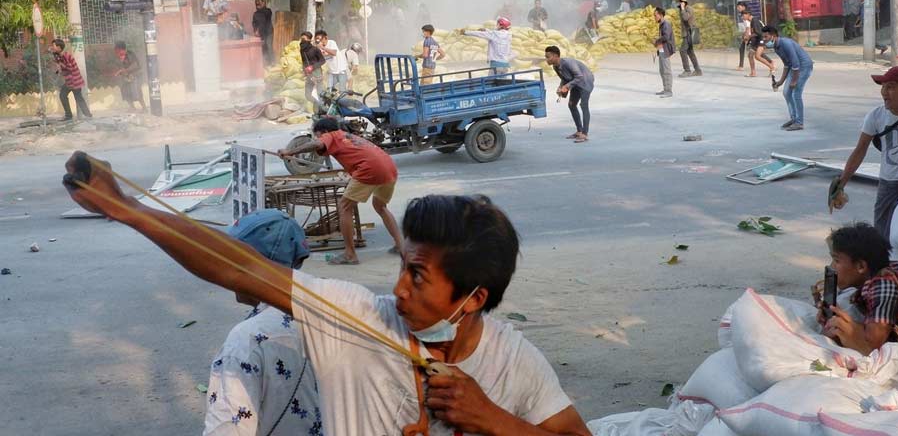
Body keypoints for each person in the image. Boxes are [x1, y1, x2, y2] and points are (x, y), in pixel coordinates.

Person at [62, 153, 591, 436]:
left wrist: (495, 421)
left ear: (473, 299)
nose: (398, 290)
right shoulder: (357, 319)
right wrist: (126, 208)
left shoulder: (514, 361)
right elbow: (242, 268)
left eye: (419, 276)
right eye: (402, 268)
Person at [203, 209, 320, 436]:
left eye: (232, 262)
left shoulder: (247, 340)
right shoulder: (330, 308)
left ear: (252, 267)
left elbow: (228, 428)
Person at [279, 118, 403, 265]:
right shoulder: (346, 136)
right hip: (388, 167)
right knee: (380, 206)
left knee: (344, 207)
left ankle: (350, 254)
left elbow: (317, 144)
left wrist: (290, 152)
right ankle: (401, 245)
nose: (318, 138)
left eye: (318, 134)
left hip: (370, 169)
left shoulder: (331, 135)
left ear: (324, 132)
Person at [835, 67, 898, 242]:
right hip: (889, 184)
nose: (884, 92)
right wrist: (840, 185)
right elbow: (860, 149)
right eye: (883, 87)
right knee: (882, 237)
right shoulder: (876, 116)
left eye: (891, 87)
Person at [819, 223, 898, 355]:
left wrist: (846, 328)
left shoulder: (884, 284)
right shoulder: (873, 278)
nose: (831, 267)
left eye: (836, 261)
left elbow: (872, 345)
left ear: (861, 266)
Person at [763, 24, 813, 131]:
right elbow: (787, 65)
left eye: (766, 37)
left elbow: (795, 64)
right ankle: (794, 118)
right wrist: (780, 82)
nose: (764, 40)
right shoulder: (776, 47)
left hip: (804, 66)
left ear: (773, 36)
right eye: (763, 37)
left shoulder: (786, 43)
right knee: (786, 92)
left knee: (796, 93)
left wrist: (794, 81)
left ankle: (799, 123)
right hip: (795, 68)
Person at [544, 46, 594, 144]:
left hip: (585, 82)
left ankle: (584, 133)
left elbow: (579, 76)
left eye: (548, 57)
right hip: (575, 84)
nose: (546, 59)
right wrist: (560, 87)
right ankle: (579, 131)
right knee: (571, 105)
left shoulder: (568, 63)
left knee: (583, 106)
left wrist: (567, 86)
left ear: (555, 56)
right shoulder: (555, 66)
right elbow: (564, 78)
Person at [50, 38, 92, 121]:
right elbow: (61, 69)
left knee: (67, 96)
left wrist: (60, 65)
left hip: (74, 81)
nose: (52, 47)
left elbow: (69, 68)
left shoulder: (65, 56)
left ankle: (72, 115)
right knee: (76, 97)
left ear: (59, 47)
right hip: (71, 81)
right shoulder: (60, 56)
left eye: (53, 46)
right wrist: (58, 68)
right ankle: (87, 115)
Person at [740, 9, 776, 77]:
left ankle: (772, 67)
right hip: (756, 40)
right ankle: (753, 73)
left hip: (761, 39)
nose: (742, 17)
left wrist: (748, 37)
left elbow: (758, 33)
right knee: (750, 55)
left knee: (757, 56)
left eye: (743, 15)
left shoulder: (755, 21)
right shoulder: (752, 21)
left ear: (748, 14)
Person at [674, 0, 702, 78]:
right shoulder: (683, 9)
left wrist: (682, 8)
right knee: (690, 52)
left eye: (678, 1)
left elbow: (686, 18)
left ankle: (687, 71)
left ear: (682, 1)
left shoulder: (688, 9)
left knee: (682, 51)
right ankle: (698, 70)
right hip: (686, 33)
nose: (677, 2)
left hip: (689, 33)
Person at [113, 41, 145, 112]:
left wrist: (125, 70)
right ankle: (132, 107)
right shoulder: (119, 56)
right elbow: (119, 67)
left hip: (136, 75)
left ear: (122, 49)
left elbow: (135, 65)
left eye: (117, 50)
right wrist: (119, 72)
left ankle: (144, 108)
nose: (116, 52)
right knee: (125, 92)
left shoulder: (130, 54)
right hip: (126, 77)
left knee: (137, 91)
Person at [299, 31, 326, 110]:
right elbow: (304, 61)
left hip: (317, 73)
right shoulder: (302, 50)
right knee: (307, 95)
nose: (302, 41)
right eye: (301, 39)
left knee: (320, 93)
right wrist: (304, 70)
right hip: (309, 74)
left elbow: (323, 61)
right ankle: (317, 104)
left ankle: (323, 110)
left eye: (303, 39)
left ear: (308, 39)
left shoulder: (315, 49)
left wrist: (312, 67)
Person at [653, 7, 675, 98]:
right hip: (661, 49)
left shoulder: (666, 24)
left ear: (661, 15)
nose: (654, 17)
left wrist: (656, 40)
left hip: (665, 49)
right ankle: (665, 89)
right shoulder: (661, 24)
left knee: (666, 70)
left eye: (655, 15)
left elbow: (666, 37)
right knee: (662, 70)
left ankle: (669, 91)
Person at [252, 0, 274, 65]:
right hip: (261, 34)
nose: (258, 4)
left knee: (269, 45)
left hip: (268, 32)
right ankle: (266, 62)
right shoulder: (255, 14)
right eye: (256, 3)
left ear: (263, 3)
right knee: (263, 47)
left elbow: (266, 15)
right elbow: (254, 23)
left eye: (259, 3)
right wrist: (255, 30)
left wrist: (262, 6)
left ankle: (272, 61)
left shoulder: (268, 11)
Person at [735, 2, 751, 71]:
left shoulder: (746, 14)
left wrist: (746, 35)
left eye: (739, 7)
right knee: (741, 48)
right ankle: (741, 66)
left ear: (743, 7)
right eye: (737, 7)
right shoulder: (743, 14)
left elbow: (748, 26)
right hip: (748, 33)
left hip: (750, 34)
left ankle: (771, 62)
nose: (738, 9)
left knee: (757, 52)